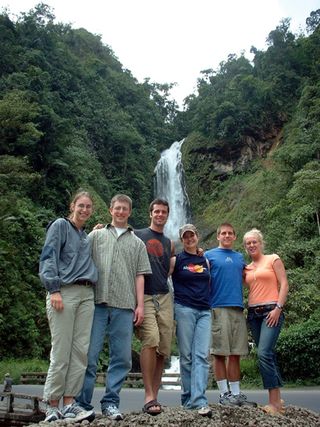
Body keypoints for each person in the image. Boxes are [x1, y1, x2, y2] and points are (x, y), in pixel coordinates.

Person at [76, 194, 152, 421]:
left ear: (129, 212)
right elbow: (80, 259)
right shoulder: (96, 235)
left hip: (125, 305)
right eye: (117, 208)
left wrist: (141, 305)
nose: (120, 212)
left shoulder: (138, 242)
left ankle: (110, 403)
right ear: (111, 210)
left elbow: (140, 275)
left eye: (124, 209)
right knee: (90, 355)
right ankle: (81, 404)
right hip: (97, 302)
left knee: (122, 358)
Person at [39, 190, 98, 422]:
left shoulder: (85, 235)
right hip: (64, 291)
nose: (84, 210)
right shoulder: (60, 226)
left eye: (88, 207)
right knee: (61, 351)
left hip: (86, 294)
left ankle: (70, 402)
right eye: (81, 205)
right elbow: (49, 256)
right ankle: (52, 404)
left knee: (80, 352)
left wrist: (95, 232)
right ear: (72, 205)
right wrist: (53, 288)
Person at [205, 223, 256, 407]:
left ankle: (236, 393)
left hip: (237, 308)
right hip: (218, 308)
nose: (226, 236)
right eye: (223, 233)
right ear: (218, 236)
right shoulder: (208, 255)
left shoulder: (239, 258)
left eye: (230, 233)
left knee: (235, 353)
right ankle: (224, 394)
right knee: (219, 353)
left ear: (235, 237)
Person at [135, 198, 175, 415]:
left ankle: (155, 396)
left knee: (163, 348)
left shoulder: (170, 242)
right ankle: (148, 395)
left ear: (167, 215)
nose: (160, 215)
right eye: (157, 211)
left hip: (165, 296)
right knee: (150, 340)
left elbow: (171, 267)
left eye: (164, 212)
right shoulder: (138, 235)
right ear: (150, 213)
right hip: (146, 295)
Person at [243, 228, 289, 415]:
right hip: (253, 314)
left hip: (271, 311)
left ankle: (274, 404)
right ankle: (278, 399)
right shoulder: (246, 268)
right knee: (267, 354)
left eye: (254, 242)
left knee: (263, 353)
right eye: (248, 243)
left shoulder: (273, 259)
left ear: (261, 243)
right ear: (245, 247)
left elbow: (284, 283)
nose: (251, 245)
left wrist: (278, 308)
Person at [171, 224, 212, 417]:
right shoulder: (176, 260)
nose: (189, 239)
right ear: (182, 239)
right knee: (186, 356)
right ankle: (187, 398)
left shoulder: (205, 259)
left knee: (202, 356)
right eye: (185, 236)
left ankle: (200, 400)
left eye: (192, 235)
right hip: (184, 309)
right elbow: (160, 275)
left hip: (204, 311)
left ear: (198, 236)